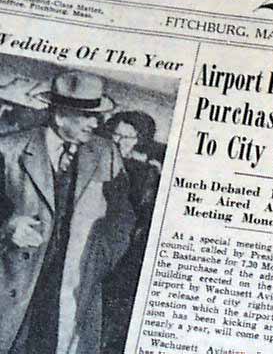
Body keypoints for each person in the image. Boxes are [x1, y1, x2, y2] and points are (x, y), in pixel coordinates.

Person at [0, 70, 135, 354]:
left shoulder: (106, 153)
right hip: (13, 288)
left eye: (96, 116)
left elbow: (123, 217)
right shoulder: (8, 150)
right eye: (87, 116)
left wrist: (98, 259)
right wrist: (7, 227)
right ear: (60, 115)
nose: (95, 122)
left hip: (71, 291)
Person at [99, 111, 163, 354]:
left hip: (122, 258)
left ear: (139, 141)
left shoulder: (144, 175)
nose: (119, 141)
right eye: (115, 134)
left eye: (128, 137)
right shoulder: (93, 161)